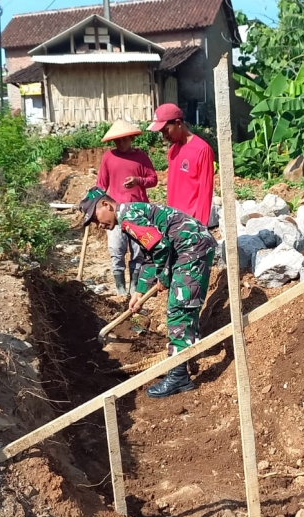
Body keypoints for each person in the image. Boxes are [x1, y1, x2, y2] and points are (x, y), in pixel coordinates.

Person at [79, 187, 216, 398]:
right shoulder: (129, 216)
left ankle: (179, 375)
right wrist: (139, 292)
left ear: (106, 205)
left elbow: (161, 247)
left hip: (191, 248)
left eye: (95, 218)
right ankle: (189, 348)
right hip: (190, 246)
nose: (98, 225)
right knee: (183, 304)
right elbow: (150, 255)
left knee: (179, 309)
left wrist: (163, 276)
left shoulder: (127, 218)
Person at [96, 119, 158, 296]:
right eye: (117, 140)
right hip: (114, 213)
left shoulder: (141, 157)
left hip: (138, 211)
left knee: (138, 251)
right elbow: (101, 185)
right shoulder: (109, 157)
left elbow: (153, 179)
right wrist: (92, 203)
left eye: (124, 139)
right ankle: (121, 289)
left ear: (131, 138)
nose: (121, 143)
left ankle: (134, 288)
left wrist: (138, 181)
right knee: (116, 249)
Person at [147, 104, 214, 227]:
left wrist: (200, 226)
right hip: (173, 219)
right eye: (161, 132)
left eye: (166, 130)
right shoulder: (172, 151)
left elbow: (205, 192)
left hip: (190, 223)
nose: (164, 136)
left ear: (178, 123)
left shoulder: (202, 150)